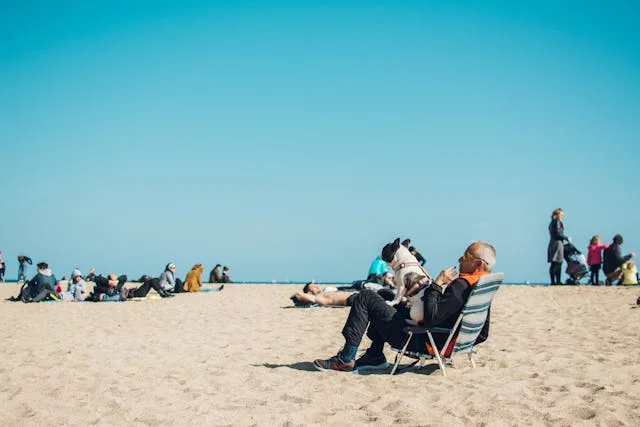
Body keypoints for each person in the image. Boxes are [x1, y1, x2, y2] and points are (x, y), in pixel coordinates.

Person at [312, 241, 496, 372]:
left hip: (423, 340)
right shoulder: (482, 284)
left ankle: (346, 358)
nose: (459, 259)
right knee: (386, 301)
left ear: (478, 263)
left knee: (365, 297)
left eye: (465, 256)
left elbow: (431, 318)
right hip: (445, 340)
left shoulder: (461, 287)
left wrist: (437, 284)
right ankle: (375, 355)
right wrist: (462, 341)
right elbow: (483, 333)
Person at [547, 208, 569, 285]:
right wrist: (566, 238)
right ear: (557, 214)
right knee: (558, 263)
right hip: (558, 244)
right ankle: (558, 281)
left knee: (553, 263)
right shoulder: (557, 222)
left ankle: (553, 281)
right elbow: (558, 233)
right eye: (561, 214)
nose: (562, 216)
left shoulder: (551, 223)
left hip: (552, 243)